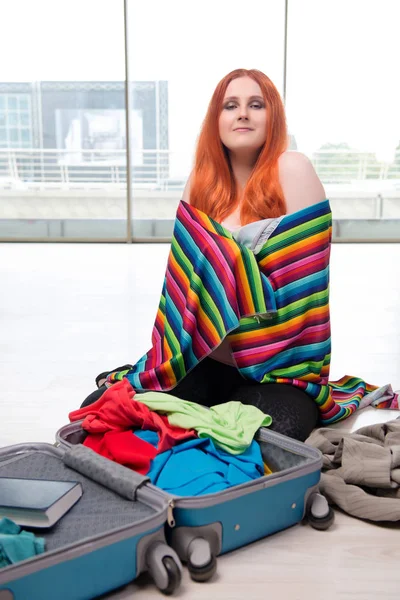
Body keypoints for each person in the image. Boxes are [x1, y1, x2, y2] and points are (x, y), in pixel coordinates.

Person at [83, 68, 326, 441]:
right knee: (104, 409)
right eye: (231, 105)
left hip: (277, 368)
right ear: (217, 119)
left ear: (272, 116)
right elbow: (180, 290)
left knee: (267, 438)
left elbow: (302, 294)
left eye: (255, 104)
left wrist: (227, 268)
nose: (242, 113)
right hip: (202, 359)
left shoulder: (292, 169)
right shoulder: (201, 182)